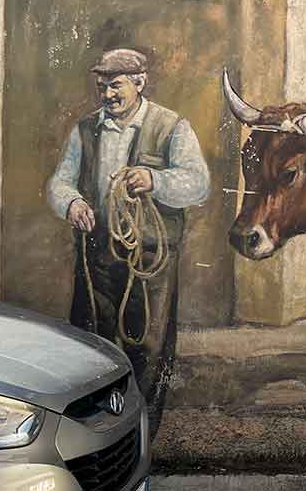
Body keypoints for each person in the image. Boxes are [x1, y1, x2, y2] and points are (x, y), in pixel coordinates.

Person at [47, 48, 210, 438]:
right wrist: (72, 203)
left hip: (150, 260)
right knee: (91, 343)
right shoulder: (85, 129)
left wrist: (156, 181)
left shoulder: (171, 126)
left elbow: (199, 183)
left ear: (139, 83)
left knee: (148, 348)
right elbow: (60, 181)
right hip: (98, 255)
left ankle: (141, 436)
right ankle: (96, 431)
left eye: (115, 86)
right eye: (102, 86)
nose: (107, 95)